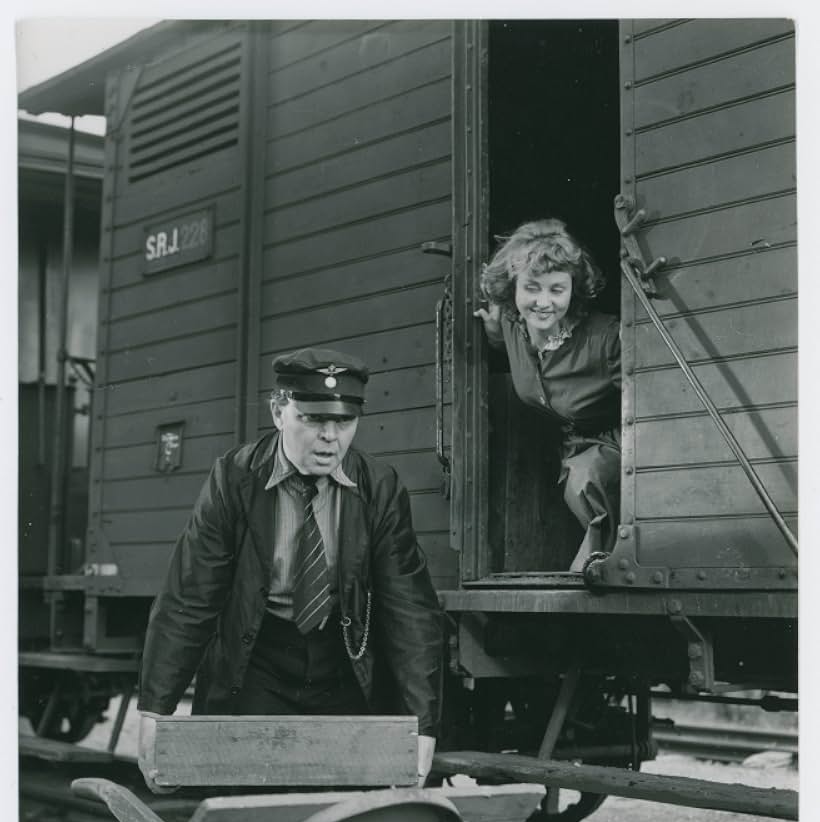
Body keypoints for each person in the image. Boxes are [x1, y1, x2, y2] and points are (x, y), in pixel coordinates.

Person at [137, 347, 442, 783]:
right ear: (279, 411)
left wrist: (422, 726)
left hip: (344, 665)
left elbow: (410, 608)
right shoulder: (234, 480)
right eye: (313, 419)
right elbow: (189, 598)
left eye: (344, 422)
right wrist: (154, 711)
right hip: (258, 662)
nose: (330, 437)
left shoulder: (380, 487)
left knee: (345, 818)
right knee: (250, 809)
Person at [474, 218, 621, 571]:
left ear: (574, 290)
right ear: (513, 290)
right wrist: (493, 330)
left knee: (586, 482)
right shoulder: (510, 325)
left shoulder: (607, 338)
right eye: (532, 288)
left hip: (617, 442)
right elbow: (500, 341)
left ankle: (603, 570)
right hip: (568, 445)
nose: (543, 303)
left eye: (557, 290)